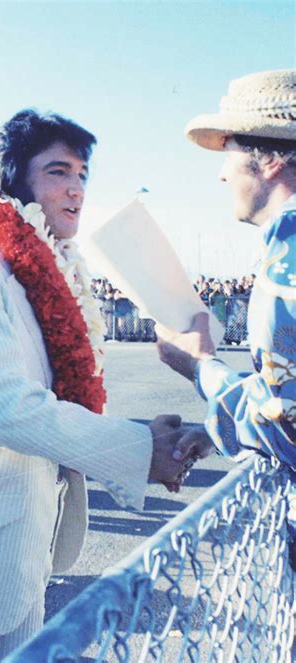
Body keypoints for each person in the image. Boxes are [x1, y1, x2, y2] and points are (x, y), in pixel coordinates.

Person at [0, 109, 212, 662]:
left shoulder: (57, 269)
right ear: (13, 180)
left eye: (82, 175)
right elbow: (2, 410)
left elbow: (57, 400)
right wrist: (141, 449)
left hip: (38, 533)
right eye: (57, 172)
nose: (76, 189)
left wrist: (139, 430)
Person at [156, 70, 295, 499]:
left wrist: (200, 367)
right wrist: (222, 428)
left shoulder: (287, 254)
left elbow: (285, 422)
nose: (222, 174)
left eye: (229, 151)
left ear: (270, 161)